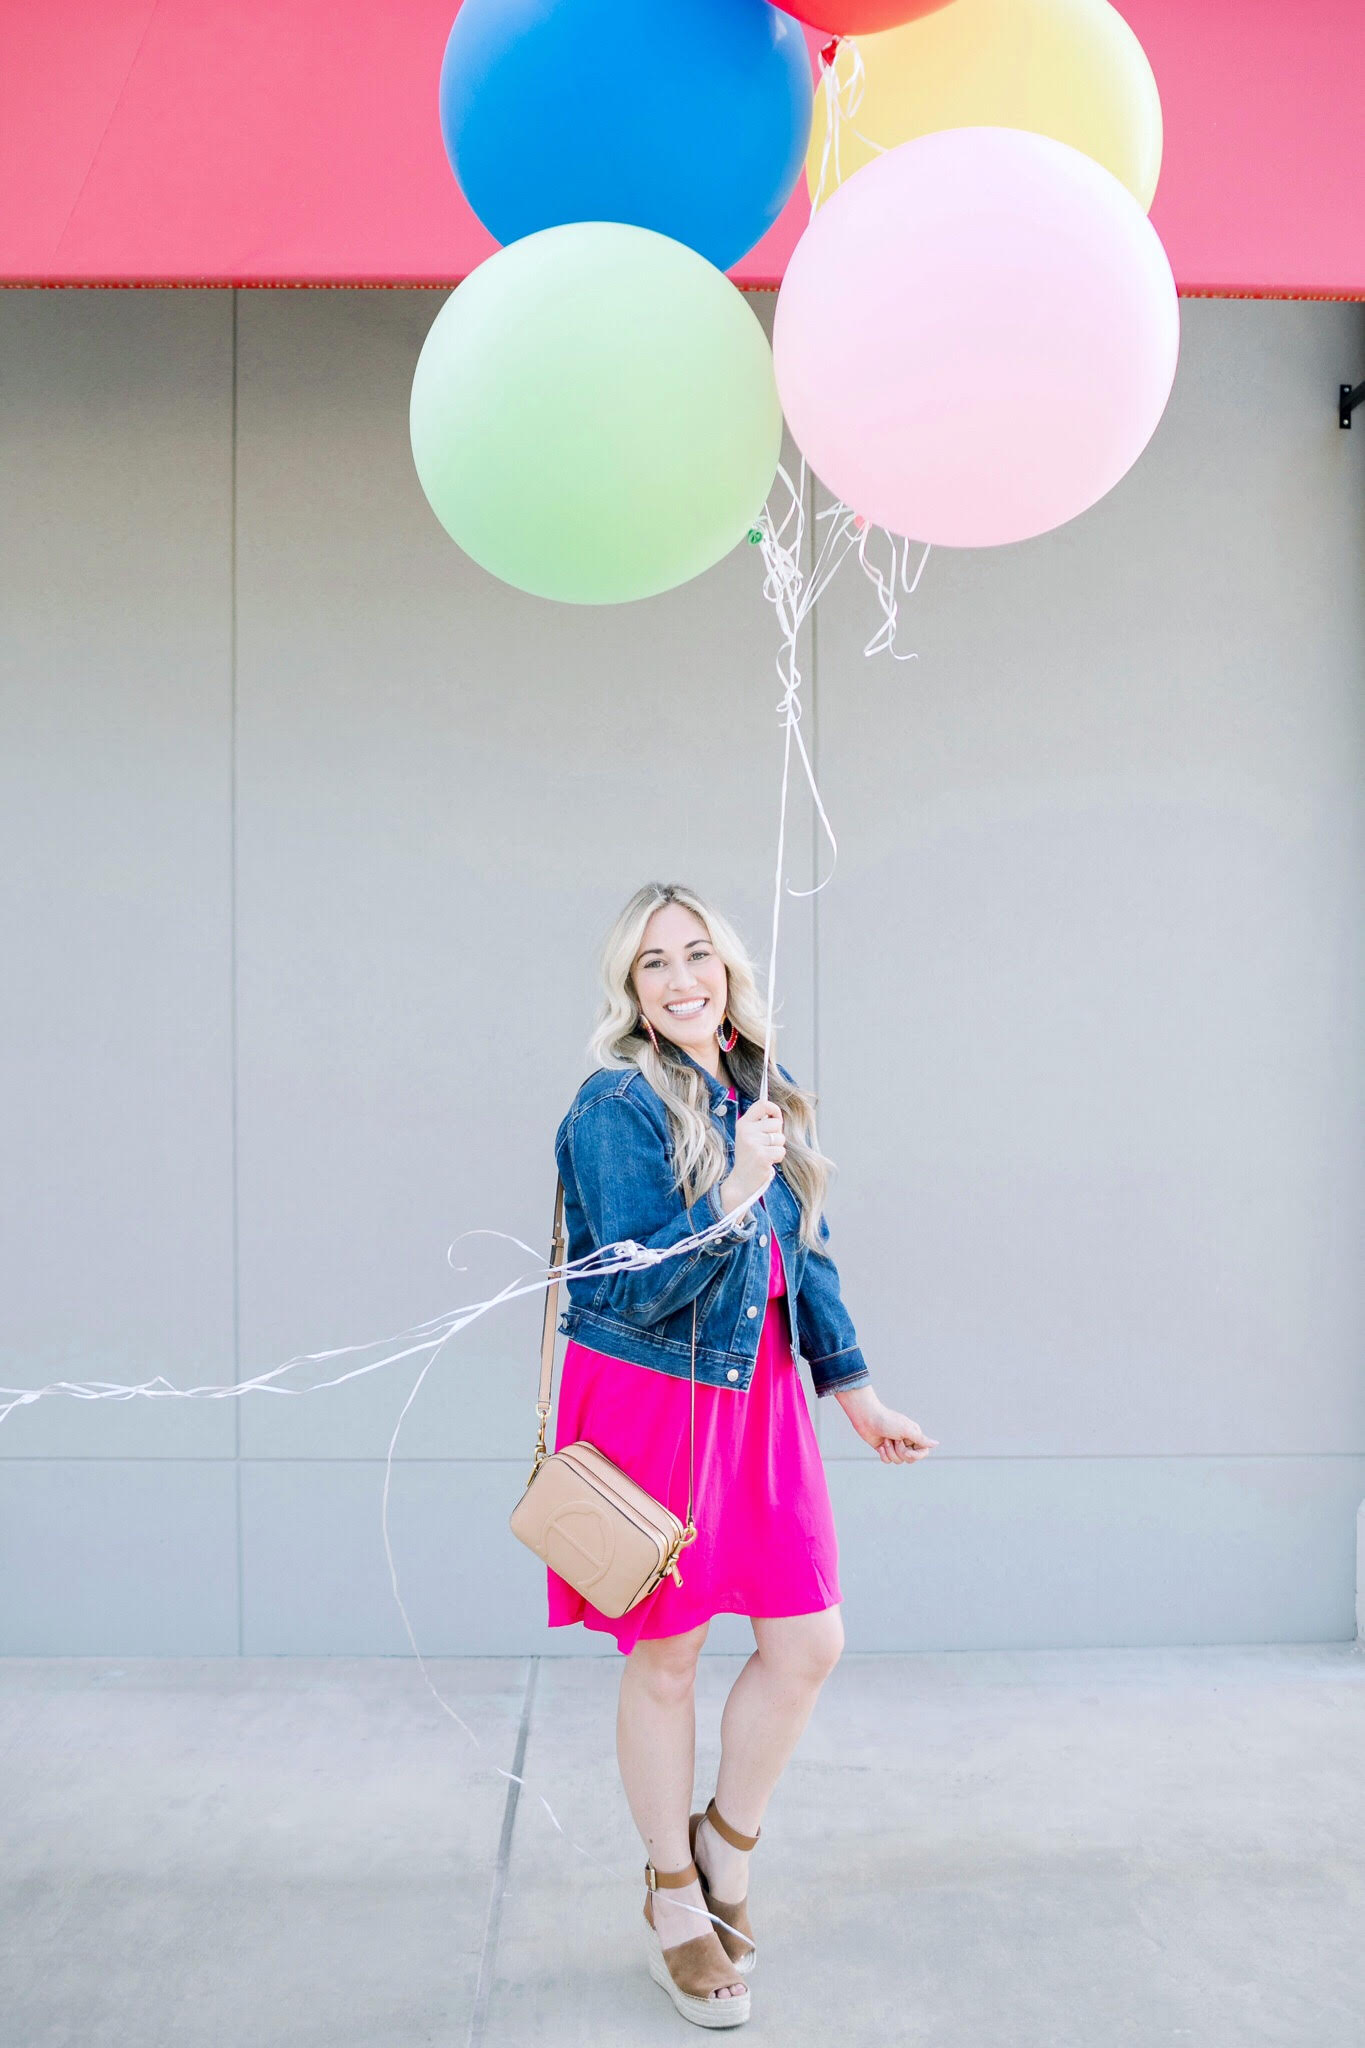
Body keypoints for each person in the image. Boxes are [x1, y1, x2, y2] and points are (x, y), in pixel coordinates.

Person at [549, 881, 936, 2028]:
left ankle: (724, 1843)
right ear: (629, 986)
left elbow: (805, 1254)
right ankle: (675, 1894)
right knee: (667, 1656)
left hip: (758, 1398)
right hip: (654, 1399)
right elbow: (637, 1276)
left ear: (727, 967)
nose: (680, 978)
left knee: (809, 1639)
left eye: (697, 954)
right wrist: (734, 1180)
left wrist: (855, 1392)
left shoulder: (760, 1085)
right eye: (655, 962)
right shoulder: (612, 1102)